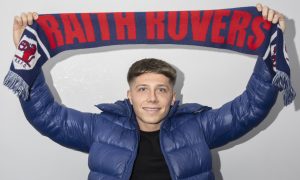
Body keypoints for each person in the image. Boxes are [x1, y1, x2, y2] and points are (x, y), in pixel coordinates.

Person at [13, 3, 285, 180]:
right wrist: (29, 54)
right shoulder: (101, 128)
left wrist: (268, 50)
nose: (152, 98)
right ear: (129, 95)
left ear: (173, 97)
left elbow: (248, 110)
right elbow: (47, 116)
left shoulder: (197, 127)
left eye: (161, 90)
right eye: (142, 89)